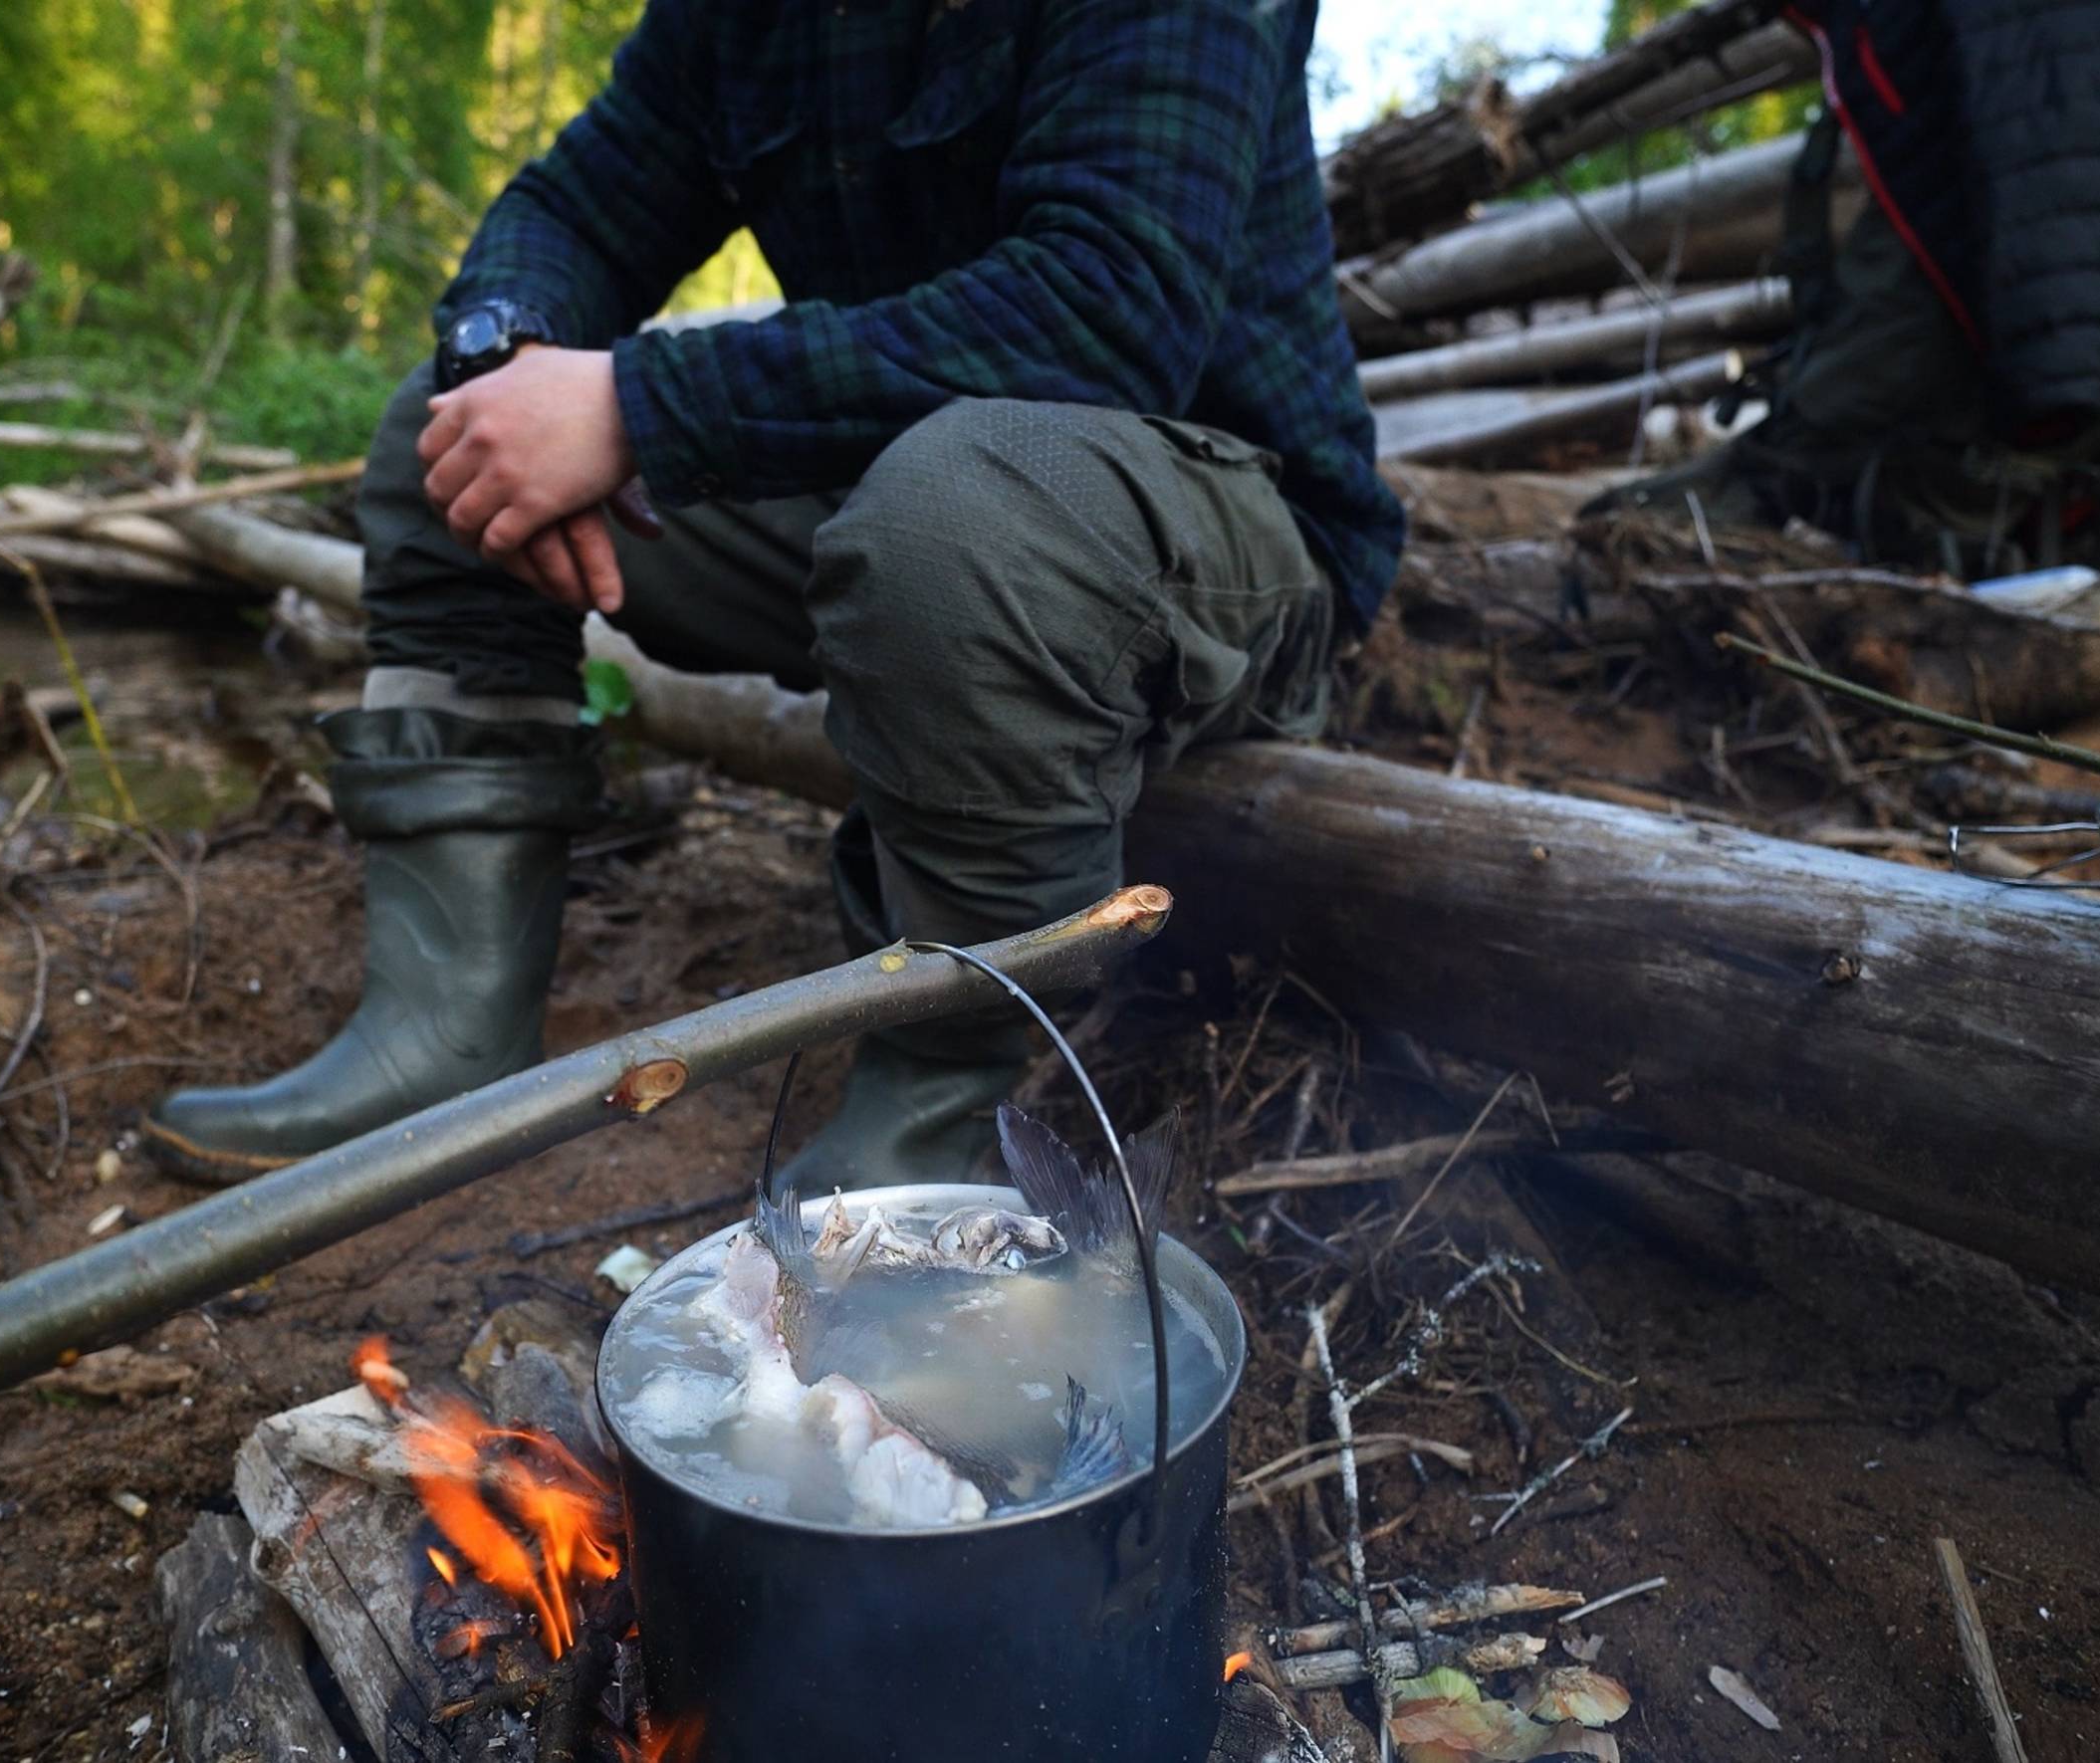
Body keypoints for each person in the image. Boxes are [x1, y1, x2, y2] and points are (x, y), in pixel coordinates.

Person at [141, 0, 1405, 1189]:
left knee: (956, 513)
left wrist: (639, 406)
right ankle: (443, 1030)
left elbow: (1106, 310)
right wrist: (510, 353)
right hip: (909, 492)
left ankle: (941, 1115)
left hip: (1223, 528)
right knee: (456, 441)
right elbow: (575, 210)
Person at [1595, 0, 2100, 576]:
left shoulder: (2031, 39)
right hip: (2042, 369)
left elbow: (2054, 184)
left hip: (2031, 409)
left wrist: (2050, 400)